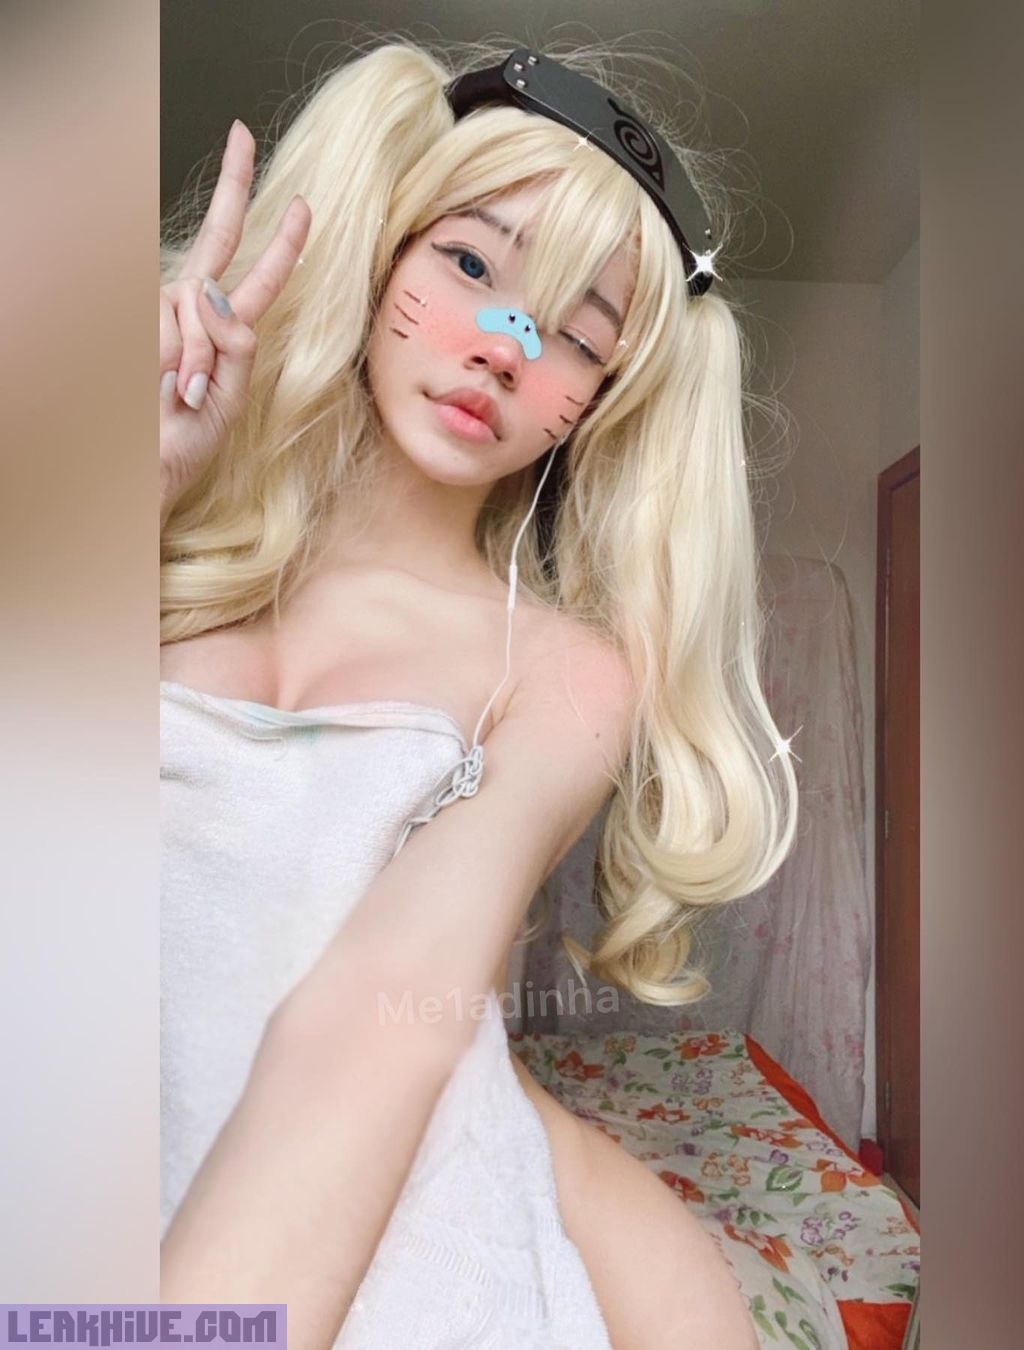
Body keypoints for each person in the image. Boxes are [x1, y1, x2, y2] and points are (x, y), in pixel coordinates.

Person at [159, 37, 795, 1349]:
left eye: (576, 336)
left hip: (410, 1272)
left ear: (597, 404)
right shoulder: (153, 546)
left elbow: (385, 1017)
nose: (506, 346)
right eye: (469, 265)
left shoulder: (564, 673)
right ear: (383, 251)